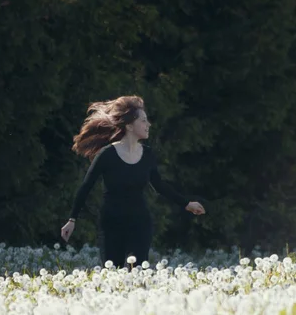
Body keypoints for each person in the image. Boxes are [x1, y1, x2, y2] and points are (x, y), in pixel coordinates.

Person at [61, 95, 206, 269]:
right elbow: (86, 187)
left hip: (140, 223)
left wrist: (186, 203)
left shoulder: (148, 155)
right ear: (129, 125)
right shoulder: (107, 155)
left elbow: (159, 185)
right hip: (112, 224)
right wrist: (72, 219)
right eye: (143, 121)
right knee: (112, 273)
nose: (148, 125)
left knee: (138, 273)